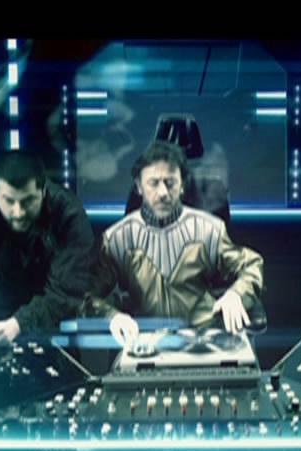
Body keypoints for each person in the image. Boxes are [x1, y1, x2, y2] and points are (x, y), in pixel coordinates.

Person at [82, 141, 263, 347]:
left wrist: (236, 294)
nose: (163, 193)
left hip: (204, 341)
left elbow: (252, 265)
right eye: (153, 183)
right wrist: (112, 317)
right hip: (144, 343)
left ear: (182, 185)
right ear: (139, 186)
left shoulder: (209, 229)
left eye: (170, 183)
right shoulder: (118, 238)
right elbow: (86, 295)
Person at [0, 150, 94, 345]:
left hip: (56, 323)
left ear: (43, 191)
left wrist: (20, 323)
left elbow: (66, 292)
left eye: (28, 201)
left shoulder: (70, 215)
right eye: (9, 201)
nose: (18, 212)